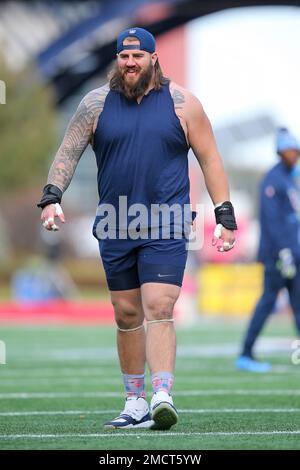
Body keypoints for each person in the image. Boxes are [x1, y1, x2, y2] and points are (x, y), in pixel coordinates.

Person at [37, 27, 237, 430]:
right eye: (124, 57)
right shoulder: (95, 104)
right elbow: (69, 150)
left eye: (138, 56)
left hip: (168, 221)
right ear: (118, 60)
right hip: (115, 222)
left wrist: (224, 214)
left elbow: (210, 159)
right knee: (126, 313)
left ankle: (163, 392)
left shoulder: (183, 104)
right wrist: (52, 195)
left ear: (153, 58)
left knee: (159, 305)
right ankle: (135, 402)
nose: (130, 63)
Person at [236, 128, 300, 373]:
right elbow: (272, 221)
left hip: (294, 254)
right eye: (289, 151)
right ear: (280, 152)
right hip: (278, 256)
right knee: (267, 303)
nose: (293, 155)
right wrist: (283, 251)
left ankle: (247, 352)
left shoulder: (288, 179)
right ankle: (246, 352)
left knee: (298, 304)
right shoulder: (273, 180)